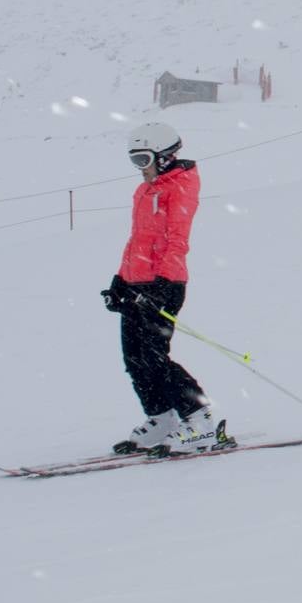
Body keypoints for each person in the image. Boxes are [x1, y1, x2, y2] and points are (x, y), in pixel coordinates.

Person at [106, 121, 223, 454]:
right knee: (134, 357)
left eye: (143, 160)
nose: (140, 170)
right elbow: (137, 241)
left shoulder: (181, 186)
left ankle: (200, 422)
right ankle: (162, 417)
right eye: (134, 162)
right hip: (135, 283)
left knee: (155, 356)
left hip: (164, 284)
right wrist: (120, 279)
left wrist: (164, 283)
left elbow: (177, 239)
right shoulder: (145, 191)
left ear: (166, 156)